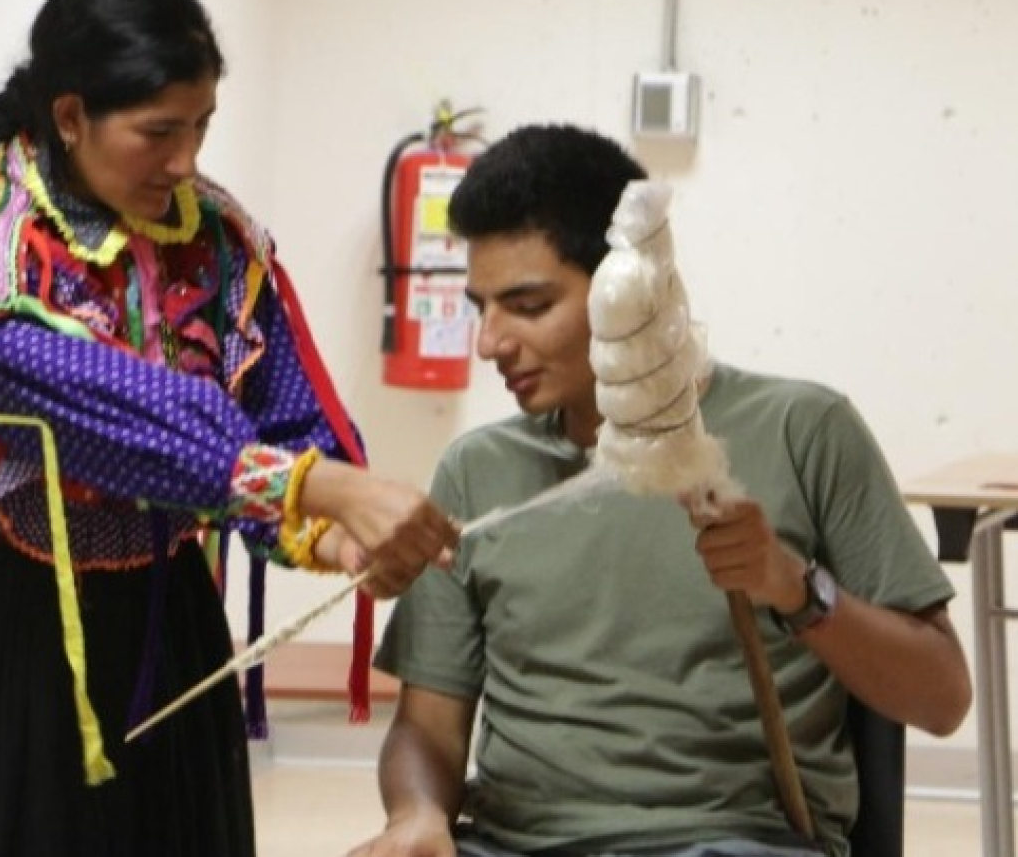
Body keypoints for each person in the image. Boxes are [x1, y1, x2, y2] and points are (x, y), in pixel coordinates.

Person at [0, 0, 458, 857]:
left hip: (157, 635)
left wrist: (334, 538)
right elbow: (88, 406)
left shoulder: (214, 240)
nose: (185, 160)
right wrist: (321, 487)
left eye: (201, 126)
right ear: (70, 116)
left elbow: (279, 411)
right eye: (158, 131)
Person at [351, 124, 971, 857]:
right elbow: (427, 727)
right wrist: (416, 815)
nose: (489, 342)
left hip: (733, 842)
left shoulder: (803, 431)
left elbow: (941, 699)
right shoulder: (476, 470)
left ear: (629, 288)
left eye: (528, 305)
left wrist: (794, 588)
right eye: (479, 306)